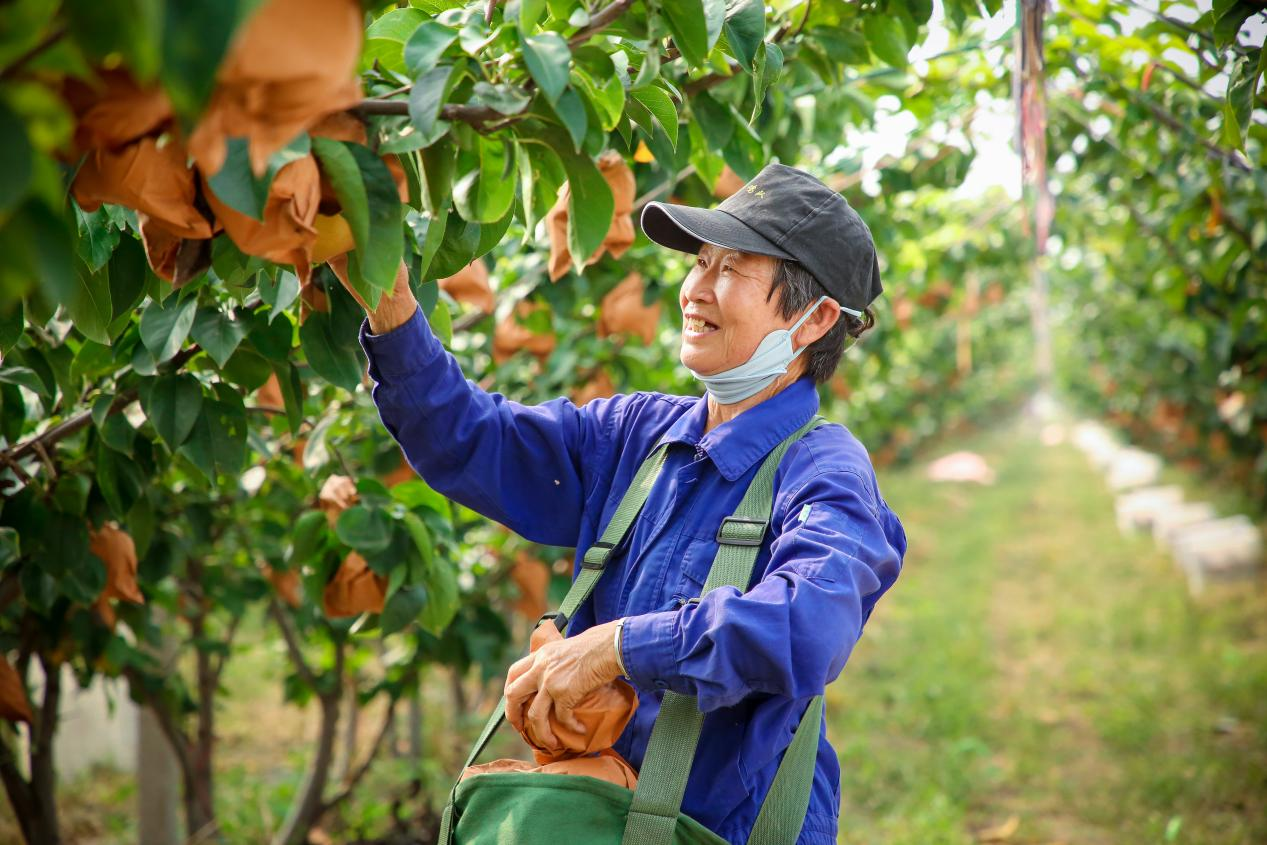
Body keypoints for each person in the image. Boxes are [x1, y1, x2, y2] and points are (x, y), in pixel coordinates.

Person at [338, 162, 907, 845]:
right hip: (593, 815)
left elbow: (809, 622)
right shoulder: (637, 434)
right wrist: (392, 308)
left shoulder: (822, 470)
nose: (695, 289)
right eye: (700, 262)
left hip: (719, 826)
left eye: (731, 270)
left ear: (813, 319)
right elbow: (472, 442)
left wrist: (619, 645)